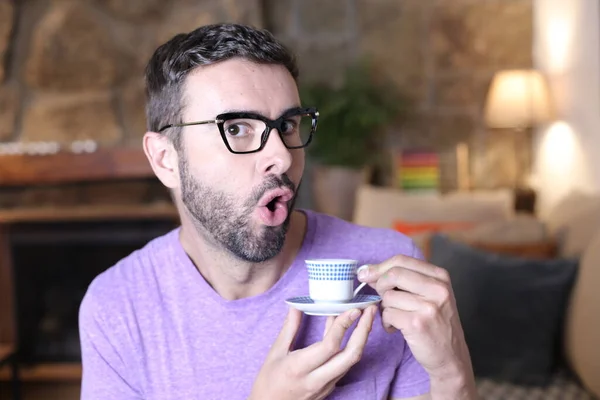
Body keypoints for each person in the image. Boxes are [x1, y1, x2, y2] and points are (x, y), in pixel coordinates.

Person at [78, 23, 476, 400]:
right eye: (236, 128)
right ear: (165, 159)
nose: (282, 158)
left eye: (287, 126)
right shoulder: (118, 306)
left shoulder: (389, 269)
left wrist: (451, 374)